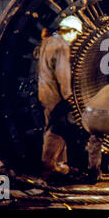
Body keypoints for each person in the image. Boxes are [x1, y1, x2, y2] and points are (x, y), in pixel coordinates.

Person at [38, 15, 82, 181]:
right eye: (75, 34)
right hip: (55, 95)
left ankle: (60, 164)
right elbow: (63, 75)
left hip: (44, 92)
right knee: (56, 130)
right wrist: (68, 96)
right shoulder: (61, 46)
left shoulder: (47, 42)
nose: (76, 37)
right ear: (69, 31)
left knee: (55, 127)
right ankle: (49, 167)